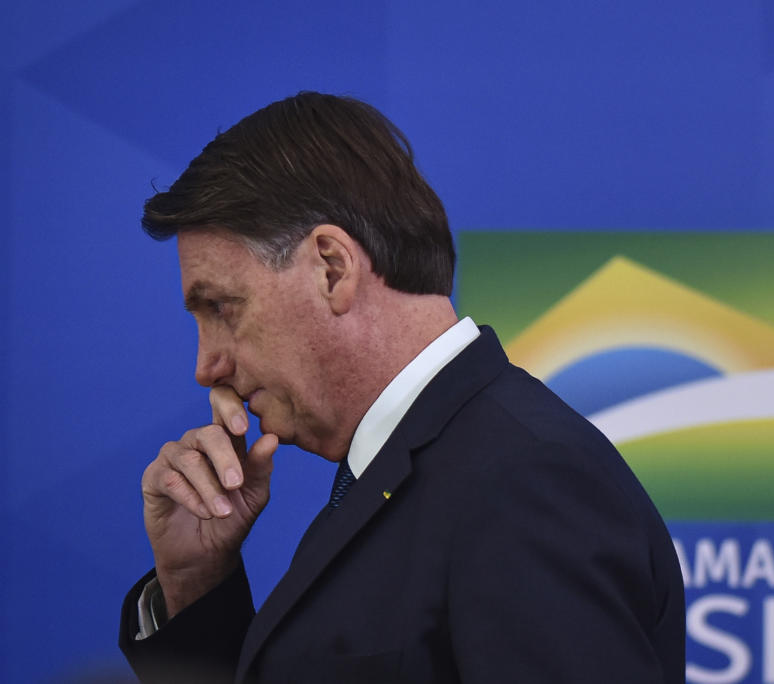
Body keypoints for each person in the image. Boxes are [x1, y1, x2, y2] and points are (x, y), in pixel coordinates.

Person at [118, 92, 685, 683]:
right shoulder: (408, 472)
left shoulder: (527, 481)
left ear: (332, 268)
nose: (206, 365)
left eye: (220, 306)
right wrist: (194, 583)